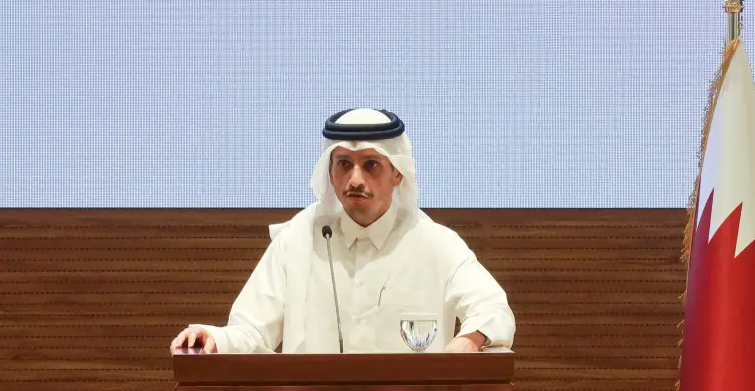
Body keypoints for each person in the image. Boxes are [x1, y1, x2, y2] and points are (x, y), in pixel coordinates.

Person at [169, 108, 514, 355]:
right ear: (330, 173)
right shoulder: (298, 239)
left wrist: (466, 342)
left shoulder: (435, 244)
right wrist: (214, 338)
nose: (355, 180)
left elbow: (494, 310)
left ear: (397, 175)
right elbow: (250, 330)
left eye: (371, 165)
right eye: (344, 165)